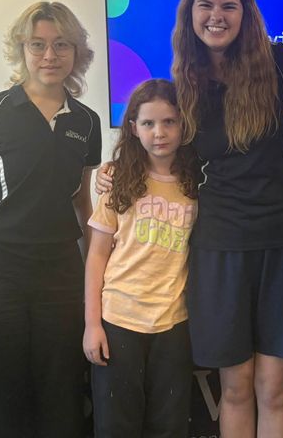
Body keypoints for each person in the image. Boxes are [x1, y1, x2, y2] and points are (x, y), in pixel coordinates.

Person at [98, 0, 283, 437]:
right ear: (190, 14)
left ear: (246, 13)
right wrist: (114, 169)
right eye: (205, 5)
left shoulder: (279, 64)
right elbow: (155, 139)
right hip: (219, 248)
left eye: (229, 5)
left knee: (275, 390)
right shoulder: (184, 82)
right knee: (237, 388)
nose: (216, 16)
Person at [0, 1, 101, 437]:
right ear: (22, 50)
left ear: (77, 52)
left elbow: (82, 203)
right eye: (38, 44)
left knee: (61, 397)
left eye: (61, 44)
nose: (50, 55)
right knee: (0, 400)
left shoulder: (87, 122)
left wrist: (97, 278)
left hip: (60, 276)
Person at [84, 79, 199, 438]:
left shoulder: (198, 182)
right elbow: (96, 255)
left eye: (169, 122)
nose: (159, 133)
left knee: (170, 426)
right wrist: (92, 325)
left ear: (183, 124)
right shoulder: (117, 179)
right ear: (133, 128)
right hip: (118, 320)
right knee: (117, 425)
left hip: (174, 323)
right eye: (148, 123)